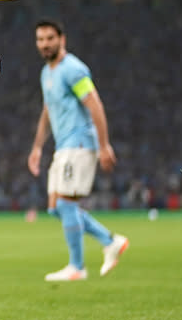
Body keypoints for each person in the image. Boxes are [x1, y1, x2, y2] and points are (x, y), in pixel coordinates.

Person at [28, 19, 128, 282]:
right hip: (63, 146)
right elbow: (48, 112)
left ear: (62, 39)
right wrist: (37, 147)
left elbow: (94, 104)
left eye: (50, 38)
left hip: (80, 142)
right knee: (55, 207)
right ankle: (110, 241)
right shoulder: (46, 73)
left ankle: (77, 266)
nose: (45, 44)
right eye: (40, 39)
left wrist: (104, 145)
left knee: (65, 203)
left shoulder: (73, 69)